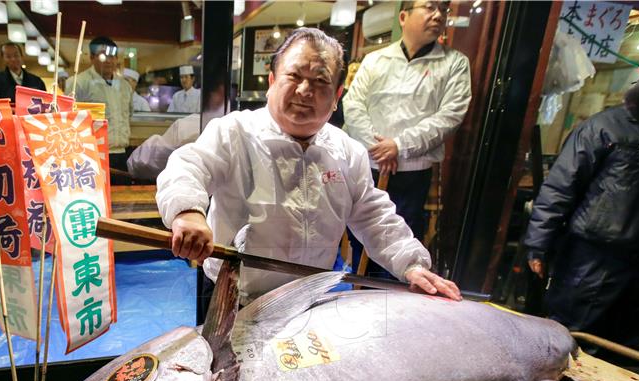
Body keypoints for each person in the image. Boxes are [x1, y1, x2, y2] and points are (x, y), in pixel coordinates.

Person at [156, 28, 460, 311]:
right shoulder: (234, 132)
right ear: (272, 82)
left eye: (320, 81)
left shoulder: (347, 151)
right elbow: (187, 166)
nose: (305, 90)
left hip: (309, 298)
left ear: (337, 96)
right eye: (294, 76)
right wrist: (188, 212)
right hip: (233, 294)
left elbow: (374, 215)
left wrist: (412, 264)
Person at [523, 27, 639, 347]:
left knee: (624, 347)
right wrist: (539, 244)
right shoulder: (607, 126)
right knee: (569, 341)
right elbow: (560, 187)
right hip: (596, 260)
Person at [343, 0, 471, 273]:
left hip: (412, 172)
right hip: (369, 166)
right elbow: (353, 105)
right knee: (358, 237)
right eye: (430, 7)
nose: (438, 15)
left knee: (401, 241)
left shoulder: (455, 64)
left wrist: (400, 146)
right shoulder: (375, 59)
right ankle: (357, 292)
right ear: (403, 17)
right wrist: (377, 147)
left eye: (443, 9)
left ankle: (387, 300)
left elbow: (450, 115)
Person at [66, 36, 132, 176]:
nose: (108, 60)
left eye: (112, 56)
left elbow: (129, 114)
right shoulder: (78, 83)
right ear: (91, 57)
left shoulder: (125, 85)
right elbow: (69, 119)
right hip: (92, 154)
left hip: (121, 153)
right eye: (103, 56)